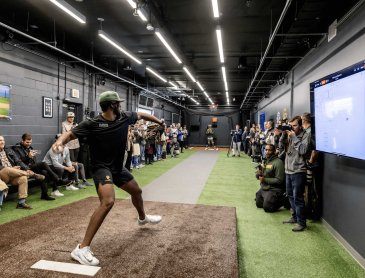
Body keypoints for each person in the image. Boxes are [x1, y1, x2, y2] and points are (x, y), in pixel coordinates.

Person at [53, 91, 163, 266]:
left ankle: (142, 218)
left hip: (117, 168)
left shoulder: (124, 117)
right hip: (101, 168)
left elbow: (142, 114)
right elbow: (71, 134)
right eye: (118, 103)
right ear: (112, 105)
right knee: (108, 201)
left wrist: (159, 121)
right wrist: (60, 142)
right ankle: (81, 248)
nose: (120, 105)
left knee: (137, 191)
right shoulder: (93, 123)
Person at [12, 133, 71, 200]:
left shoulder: (30, 147)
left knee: (44, 172)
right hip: (23, 168)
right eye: (27, 142)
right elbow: (18, 162)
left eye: (30, 142)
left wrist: (32, 157)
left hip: (32, 167)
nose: (29, 144)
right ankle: (57, 179)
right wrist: (28, 157)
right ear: (22, 140)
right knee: (43, 164)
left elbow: (33, 160)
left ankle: (44, 195)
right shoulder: (16, 148)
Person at [281, 116, 310, 232]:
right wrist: (283, 135)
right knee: (290, 195)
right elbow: (281, 147)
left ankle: (302, 222)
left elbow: (303, 151)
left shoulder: (305, 136)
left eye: (294, 125)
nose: (292, 128)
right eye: (290, 125)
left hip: (298, 171)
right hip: (288, 170)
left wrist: (294, 138)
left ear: (301, 125)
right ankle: (294, 217)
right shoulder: (289, 135)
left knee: (298, 198)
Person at [0, 135, 38, 209]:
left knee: (23, 178)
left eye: (3, 140)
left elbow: (18, 161)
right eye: (0, 140)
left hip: (12, 174)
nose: (2, 142)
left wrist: (27, 168)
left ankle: (21, 202)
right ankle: (32, 175)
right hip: (2, 175)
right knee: (7, 169)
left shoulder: (8, 150)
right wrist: (11, 168)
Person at [255, 144, 287, 212]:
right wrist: (259, 174)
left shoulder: (278, 163)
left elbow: (279, 180)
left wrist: (264, 179)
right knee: (258, 204)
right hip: (265, 187)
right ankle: (269, 199)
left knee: (267, 208)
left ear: (274, 151)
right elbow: (264, 174)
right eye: (266, 150)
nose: (267, 152)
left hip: (274, 189)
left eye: (269, 150)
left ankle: (283, 200)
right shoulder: (267, 161)